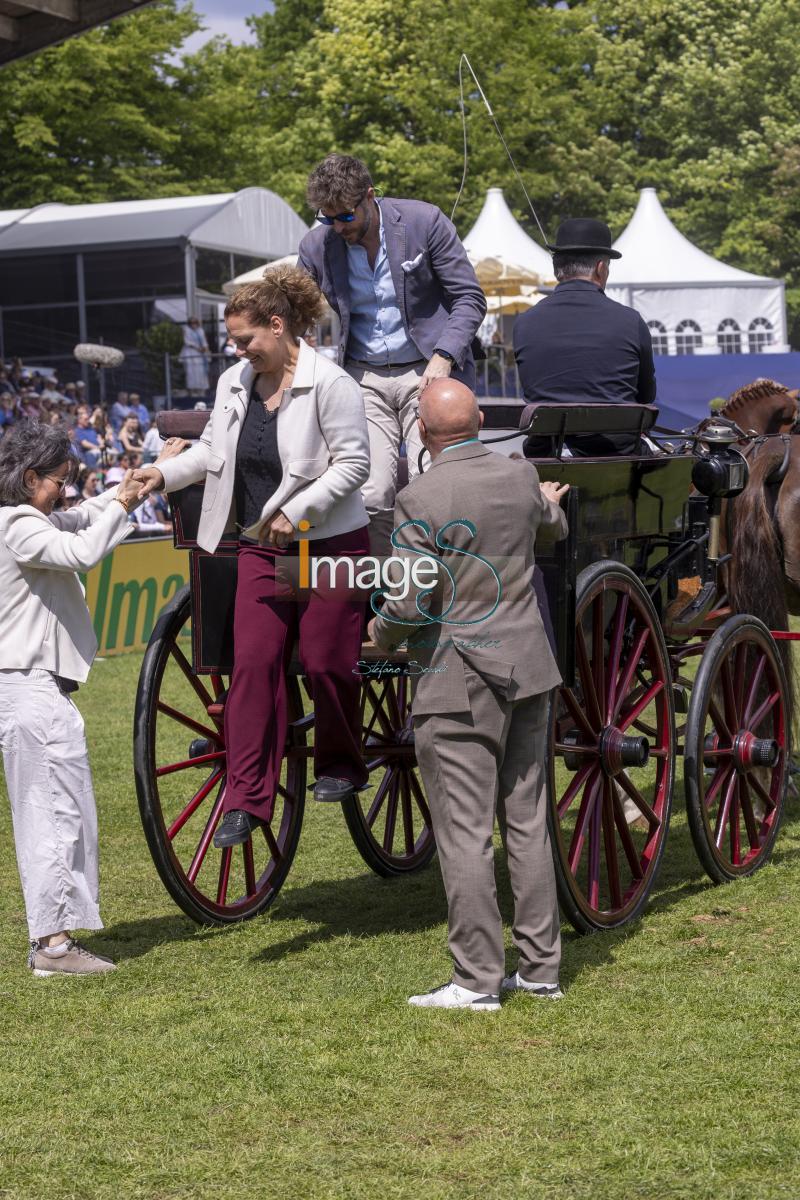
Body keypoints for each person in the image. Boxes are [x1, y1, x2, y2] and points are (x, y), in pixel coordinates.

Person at [133, 266, 371, 847]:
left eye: (245, 339)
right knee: (253, 667)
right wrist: (160, 472)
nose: (236, 350)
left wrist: (302, 513)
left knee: (322, 661)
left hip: (329, 544)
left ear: (278, 324)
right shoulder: (235, 382)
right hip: (261, 547)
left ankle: (342, 762)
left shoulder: (333, 383)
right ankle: (245, 799)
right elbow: (213, 451)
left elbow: (354, 464)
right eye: (233, 341)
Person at [368, 379, 569, 1011]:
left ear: (421, 435)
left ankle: (476, 980)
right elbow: (552, 526)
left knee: (463, 834)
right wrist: (547, 501)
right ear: (480, 419)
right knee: (529, 822)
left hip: (457, 679)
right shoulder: (520, 475)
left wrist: (378, 633)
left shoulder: (419, 495)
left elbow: (406, 601)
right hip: (529, 667)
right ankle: (540, 970)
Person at [0, 422, 145, 975]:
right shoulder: (17, 524)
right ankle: (53, 947)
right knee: (50, 816)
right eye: (59, 480)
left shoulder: (25, 518)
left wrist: (134, 487)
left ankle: (54, 942)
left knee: (64, 812)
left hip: (35, 688)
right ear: (29, 477)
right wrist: (124, 501)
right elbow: (84, 550)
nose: (66, 490)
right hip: (27, 687)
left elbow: (85, 516)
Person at [297, 153, 486, 557]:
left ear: (369, 196)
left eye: (345, 217)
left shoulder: (425, 221)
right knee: (368, 489)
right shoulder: (316, 246)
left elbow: (469, 298)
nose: (337, 227)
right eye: (326, 218)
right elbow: (294, 314)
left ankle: (446, 585)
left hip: (428, 370)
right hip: (362, 378)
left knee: (431, 481)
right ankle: (390, 589)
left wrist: (443, 356)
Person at [513, 218, 657, 458]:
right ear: (601, 268)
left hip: (546, 456)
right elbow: (645, 396)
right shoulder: (630, 320)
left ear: (557, 268)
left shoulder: (524, 322)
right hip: (617, 456)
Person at [180, 316, 211, 395]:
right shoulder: (186, 330)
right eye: (191, 323)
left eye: (195, 323)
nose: (193, 324)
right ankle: (192, 391)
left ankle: (201, 391)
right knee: (191, 373)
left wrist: (206, 349)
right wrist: (198, 348)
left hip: (200, 355)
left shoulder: (200, 331)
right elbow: (187, 342)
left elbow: (204, 342)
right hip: (191, 353)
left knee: (201, 372)